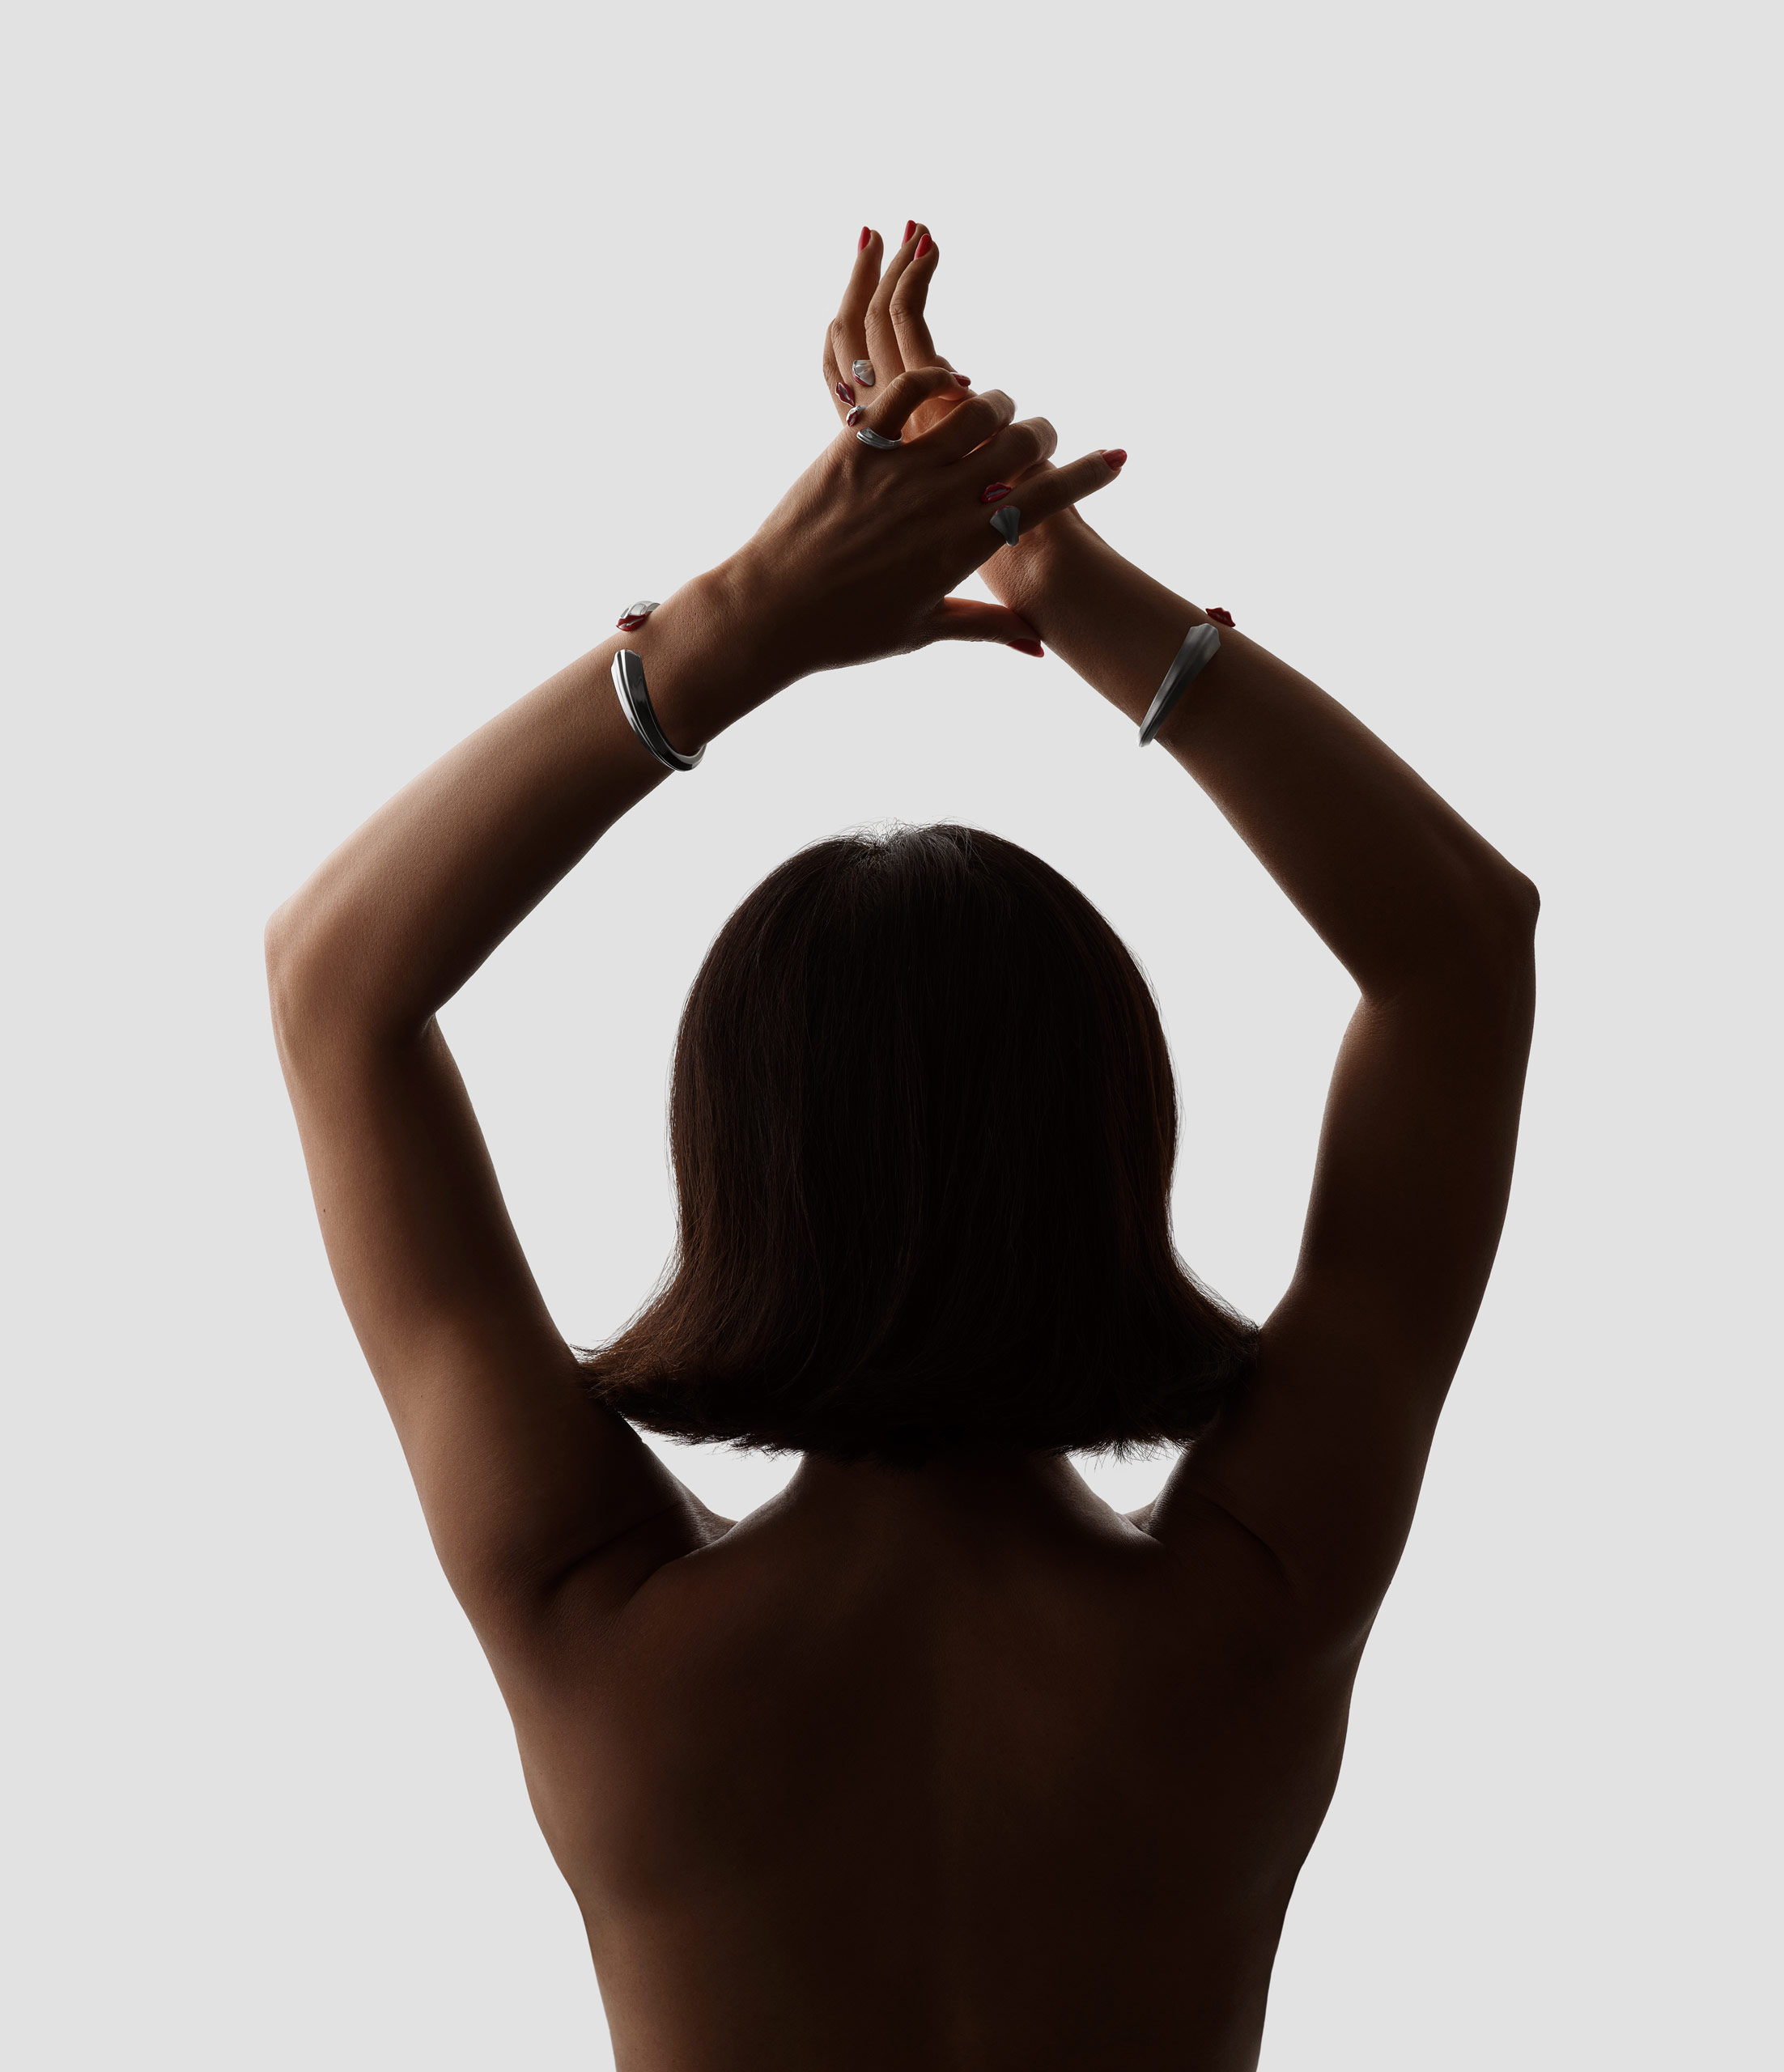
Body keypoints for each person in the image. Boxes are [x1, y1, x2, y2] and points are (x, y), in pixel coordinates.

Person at [266, 222, 1538, 2070]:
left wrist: (740, 622)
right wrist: (1061, 577)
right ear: (1116, 1143)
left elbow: (335, 986)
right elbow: (1460, 954)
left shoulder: (592, 1624)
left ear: (732, 1169)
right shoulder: (1252, 1606)